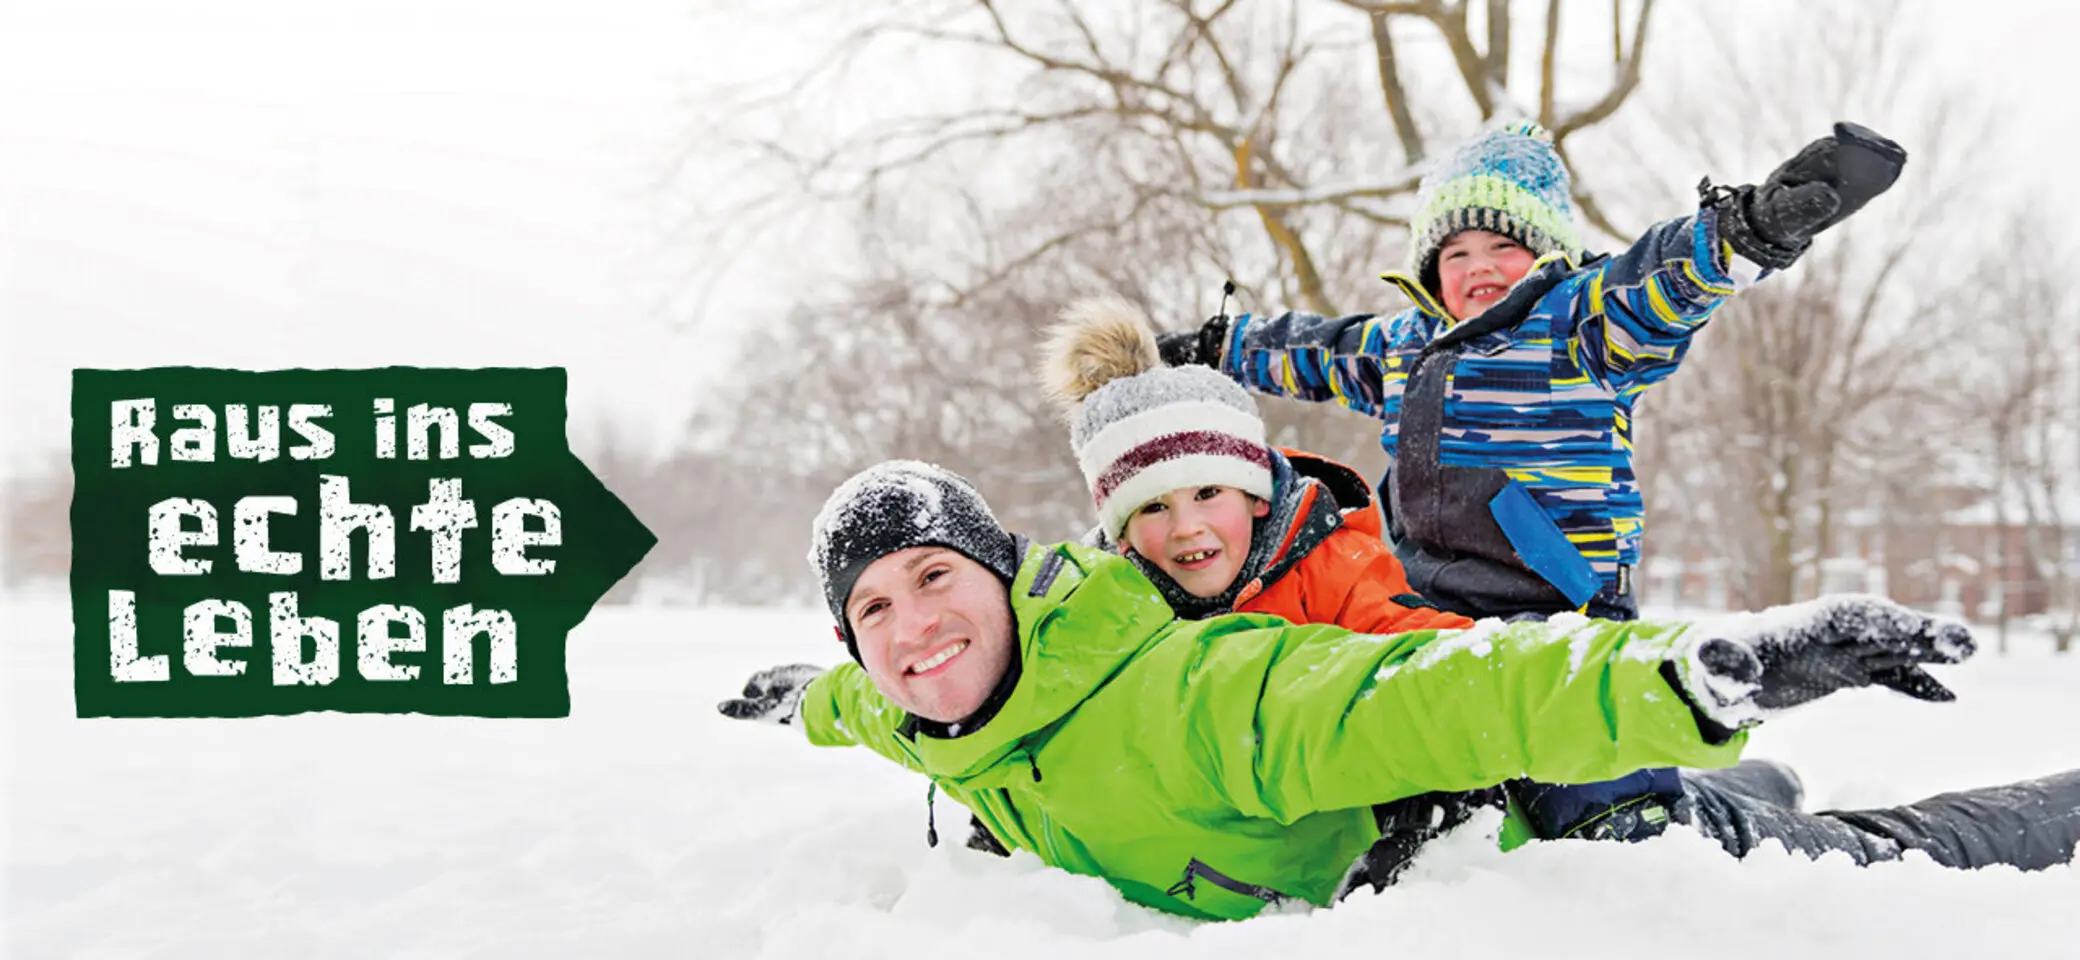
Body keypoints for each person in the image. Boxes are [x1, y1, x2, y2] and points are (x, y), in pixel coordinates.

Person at [716, 460, 2080, 922]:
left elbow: (1436, 694)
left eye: (932, 578)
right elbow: (867, 710)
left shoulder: (1190, 693)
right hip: (1575, 781)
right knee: (1758, 784)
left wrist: (1690, 671)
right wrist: (803, 694)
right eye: (871, 610)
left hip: (1577, 842)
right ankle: (1749, 771)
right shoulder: (919, 712)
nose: (911, 629)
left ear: (1003, 579)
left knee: (1882, 857)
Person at [1156, 119, 1909, 841]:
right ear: (1430, 270)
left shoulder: (1577, 324)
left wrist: (1746, 232)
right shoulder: (1403, 348)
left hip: (1559, 601)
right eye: (1456, 253)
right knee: (1423, 746)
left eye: (1503, 245)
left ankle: (1641, 822)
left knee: (1577, 761)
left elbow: (1657, 285)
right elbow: (1317, 352)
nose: (1478, 265)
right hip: (1426, 606)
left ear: (1545, 253)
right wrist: (1221, 347)